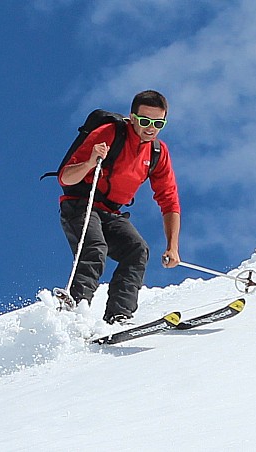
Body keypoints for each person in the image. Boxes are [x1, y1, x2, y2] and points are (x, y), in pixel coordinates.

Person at [58, 90, 181, 324]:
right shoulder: (109, 133)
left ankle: (118, 316)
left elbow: (169, 199)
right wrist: (91, 161)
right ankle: (73, 313)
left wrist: (172, 246)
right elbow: (66, 178)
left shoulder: (157, 152)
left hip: (111, 212)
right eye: (144, 121)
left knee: (137, 250)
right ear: (132, 118)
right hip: (80, 204)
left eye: (158, 123)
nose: (150, 128)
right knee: (94, 248)